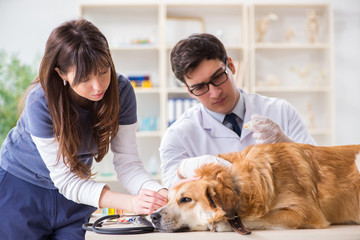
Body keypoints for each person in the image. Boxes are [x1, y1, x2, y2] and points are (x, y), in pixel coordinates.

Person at [0, 19, 167, 239]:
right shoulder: (40, 102)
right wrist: (131, 203)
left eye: (103, 71)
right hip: (21, 189)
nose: (98, 86)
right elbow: (66, 180)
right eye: (85, 78)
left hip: (74, 195)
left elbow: (128, 163)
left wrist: (160, 194)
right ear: (62, 74)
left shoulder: (122, 91)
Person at [160, 33, 316, 188]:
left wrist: (288, 145)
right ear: (188, 90)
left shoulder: (281, 111)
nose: (215, 93)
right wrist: (185, 169)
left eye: (218, 77)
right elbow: (171, 192)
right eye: (200, 87)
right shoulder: (178, 135)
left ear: (231, 66)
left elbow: (319, 170)